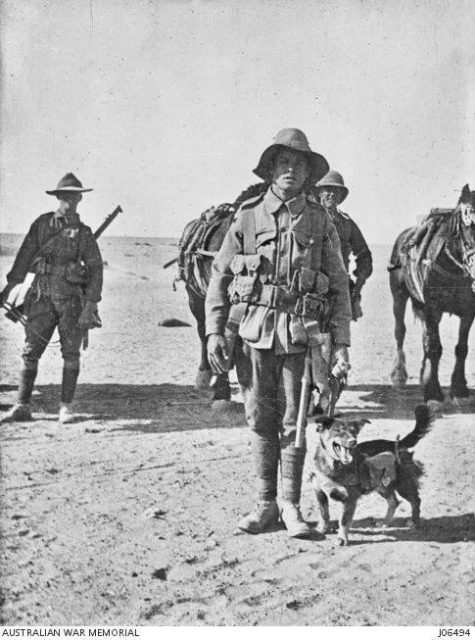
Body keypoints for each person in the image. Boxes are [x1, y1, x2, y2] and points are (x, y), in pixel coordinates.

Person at [205, 128, 352, 538]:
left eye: (299, 165)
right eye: (283, 163)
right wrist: (214, 332)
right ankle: (264, 504)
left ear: (308, 173)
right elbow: (219, 276)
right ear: (271, 169)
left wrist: (341, 345)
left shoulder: (320, 220)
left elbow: (339, 285)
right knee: (258, 418)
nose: (290, 171)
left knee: (295, 421)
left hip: (301, 336)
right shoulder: (248, 216)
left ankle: (290, 506)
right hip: (253, 334)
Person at [0, 173, 103, 424]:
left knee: (71, 353)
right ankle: (23, 405)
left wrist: (90, 304)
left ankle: (65, 407)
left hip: (72, 301)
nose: (69, 200)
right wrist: (7, 289)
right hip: (41, 296)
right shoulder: (42, 225)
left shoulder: (84, 233)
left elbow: (96, 269)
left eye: (73, 196)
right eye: (64, 196)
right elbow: (23, 259)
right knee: (30, 351)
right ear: (58, 198)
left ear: (80, 198)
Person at [315, 170, 373, 321]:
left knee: (340, 340)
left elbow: (364, 256)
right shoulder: (308, 219)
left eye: (336, 191)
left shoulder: (347, 223)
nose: (332, 194)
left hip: (339, 289)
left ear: (341, 196)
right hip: (312, 289)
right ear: (319, 192)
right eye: (328, 190)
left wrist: (356, 288)